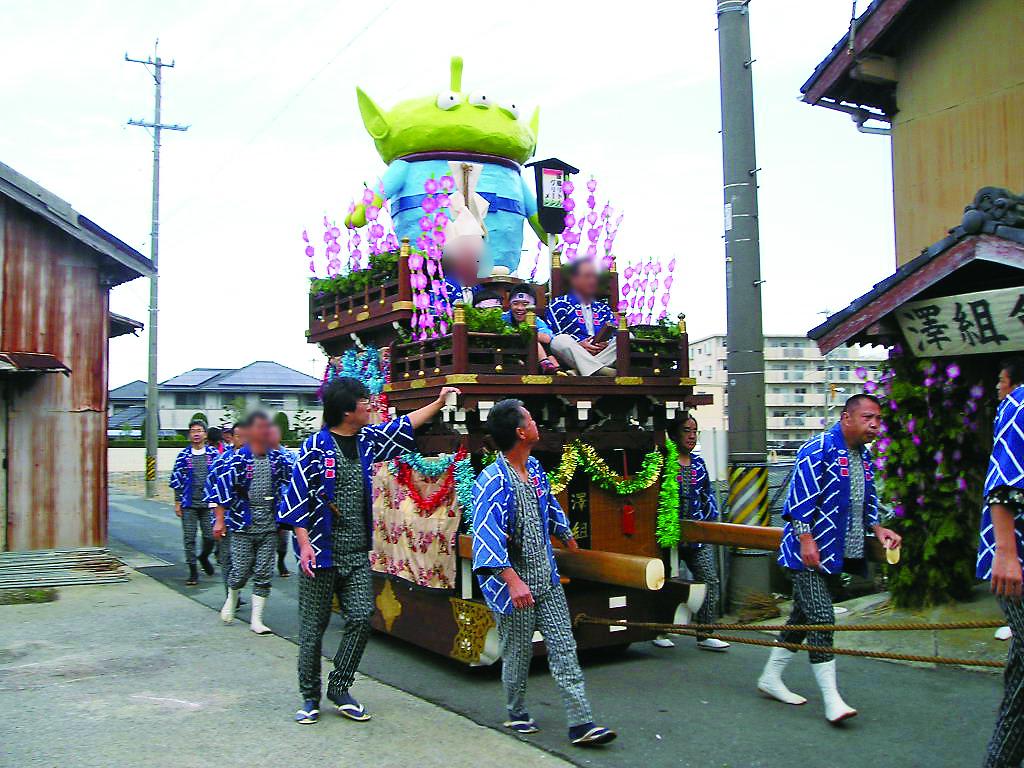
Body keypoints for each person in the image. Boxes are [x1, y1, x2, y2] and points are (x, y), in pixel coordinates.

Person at [279, 378, 460, 725]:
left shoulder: (367, 440)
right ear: (347, 410)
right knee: (312, 630)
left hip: (358, 552)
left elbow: (404, 426)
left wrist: (438, 403)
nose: (371, 404)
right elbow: (297, 500)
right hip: (319, 555)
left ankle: (340, 686)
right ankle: (309, 696)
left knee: (362, 617)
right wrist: (303, 545)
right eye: (365, 400)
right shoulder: (314, 448)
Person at [472, 398, 616, 746]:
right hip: (514, 586)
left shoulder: (533, 468)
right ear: (521, 432)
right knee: (518, 654)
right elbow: (484, 535)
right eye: (532, 419)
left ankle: (582, 723)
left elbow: (548, 504)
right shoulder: (492, 479)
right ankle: (517, 711)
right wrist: (512, 579)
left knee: (564, 647)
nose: (537, 423)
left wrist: (566, 535)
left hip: (546, 578)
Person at [758, 393, 901, 723]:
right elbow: (799, 499)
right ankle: (832, 699)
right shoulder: (818, 447)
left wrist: (878, 528)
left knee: (802, 618)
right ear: (846, 418)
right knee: (822, 617)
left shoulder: (863, 456)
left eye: (878, 419)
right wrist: (806, 539)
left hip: (835, 554)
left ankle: (770, 677)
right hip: (805, 554)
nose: (875, 425)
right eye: (868, 418)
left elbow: (867, 499)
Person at [979, 358, 1024, 767]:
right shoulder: (1019, 404)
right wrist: (1006, 554)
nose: (997, 387)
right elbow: (1003, 483)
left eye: (998, 380)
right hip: (1019, 560)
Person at [652, 415, 729, 652]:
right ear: (675, 434)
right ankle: (660, 629)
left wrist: (707, 526)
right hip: (668, 536)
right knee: (662, 582)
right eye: (687, 430)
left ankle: (705, 632)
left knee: (709, 579)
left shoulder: (699, 464)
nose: (692, 436)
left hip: (695, 536)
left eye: (695, 431)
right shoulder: (662, 462)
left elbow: (707, 497)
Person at [212, 411, 292, 635]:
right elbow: (222, 491)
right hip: (241, 523)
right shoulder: (237, 460)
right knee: (240, 570)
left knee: (263, 571)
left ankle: (257, 619)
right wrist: (219, 521)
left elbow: (295, 478)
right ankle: (232, 597)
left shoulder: (278, 459)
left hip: (269, 524)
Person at [545, 258, 617, 376]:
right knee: (559, 341)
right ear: (574, 279)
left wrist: (606, 344)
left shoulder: (603, 308)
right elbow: (553, 334)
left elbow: (613, 332)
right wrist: (578, 344)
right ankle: (600, 370)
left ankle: (581, 371)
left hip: (602, 352)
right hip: (574, 353)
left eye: (594, 277)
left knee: (627, 336)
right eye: (587, 276)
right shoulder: (559, 304)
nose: (592, 280)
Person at [169, 419, 219, 586]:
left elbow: (221, 477)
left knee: (210, 536)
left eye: (199, 430)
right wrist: (177, 501)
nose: (196, 434)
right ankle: (192, 570)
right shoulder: (183, 455)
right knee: (189, 537)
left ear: (205, 434)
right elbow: (177, 479)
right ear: (189, 435)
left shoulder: (213, 454)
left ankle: (204, 556)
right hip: (189, 502)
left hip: (208, 504)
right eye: (193, 431)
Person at [504, 283, 560, 374]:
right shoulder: (504, 318)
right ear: (510, 304)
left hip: (532, 356)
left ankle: (554, 368)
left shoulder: (536, 320)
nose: (520, 308)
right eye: (515, 303)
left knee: (533, 337)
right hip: (509, 354)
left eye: (525, 304)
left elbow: (547, 338)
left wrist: (524, 332)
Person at [269, 423, 297, 578]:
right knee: (266, 536)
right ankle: (264, 564)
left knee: (282, 536)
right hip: (266, 503)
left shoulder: (289, 455)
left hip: (284, 502)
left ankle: (281, 560)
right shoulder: (261, 454)